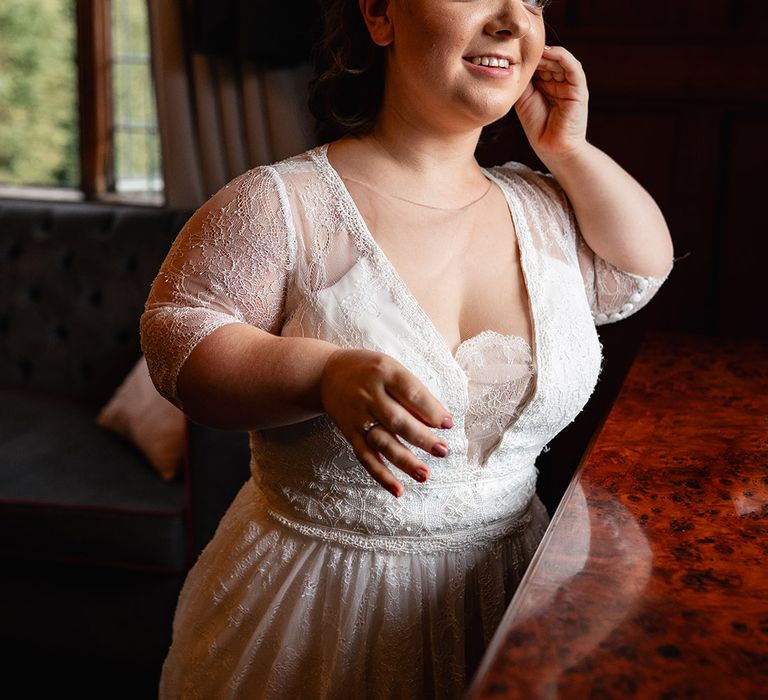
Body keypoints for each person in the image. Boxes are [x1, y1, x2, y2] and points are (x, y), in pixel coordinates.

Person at [141, 0, 674, 697]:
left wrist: (567, 151)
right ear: (380, 14)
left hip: (517, 592)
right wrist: (320, 373)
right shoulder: (282, 204)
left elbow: (641, 268)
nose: (514, 20)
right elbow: (178, 339)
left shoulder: (545, 209)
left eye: (534, 0)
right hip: (318, 609)